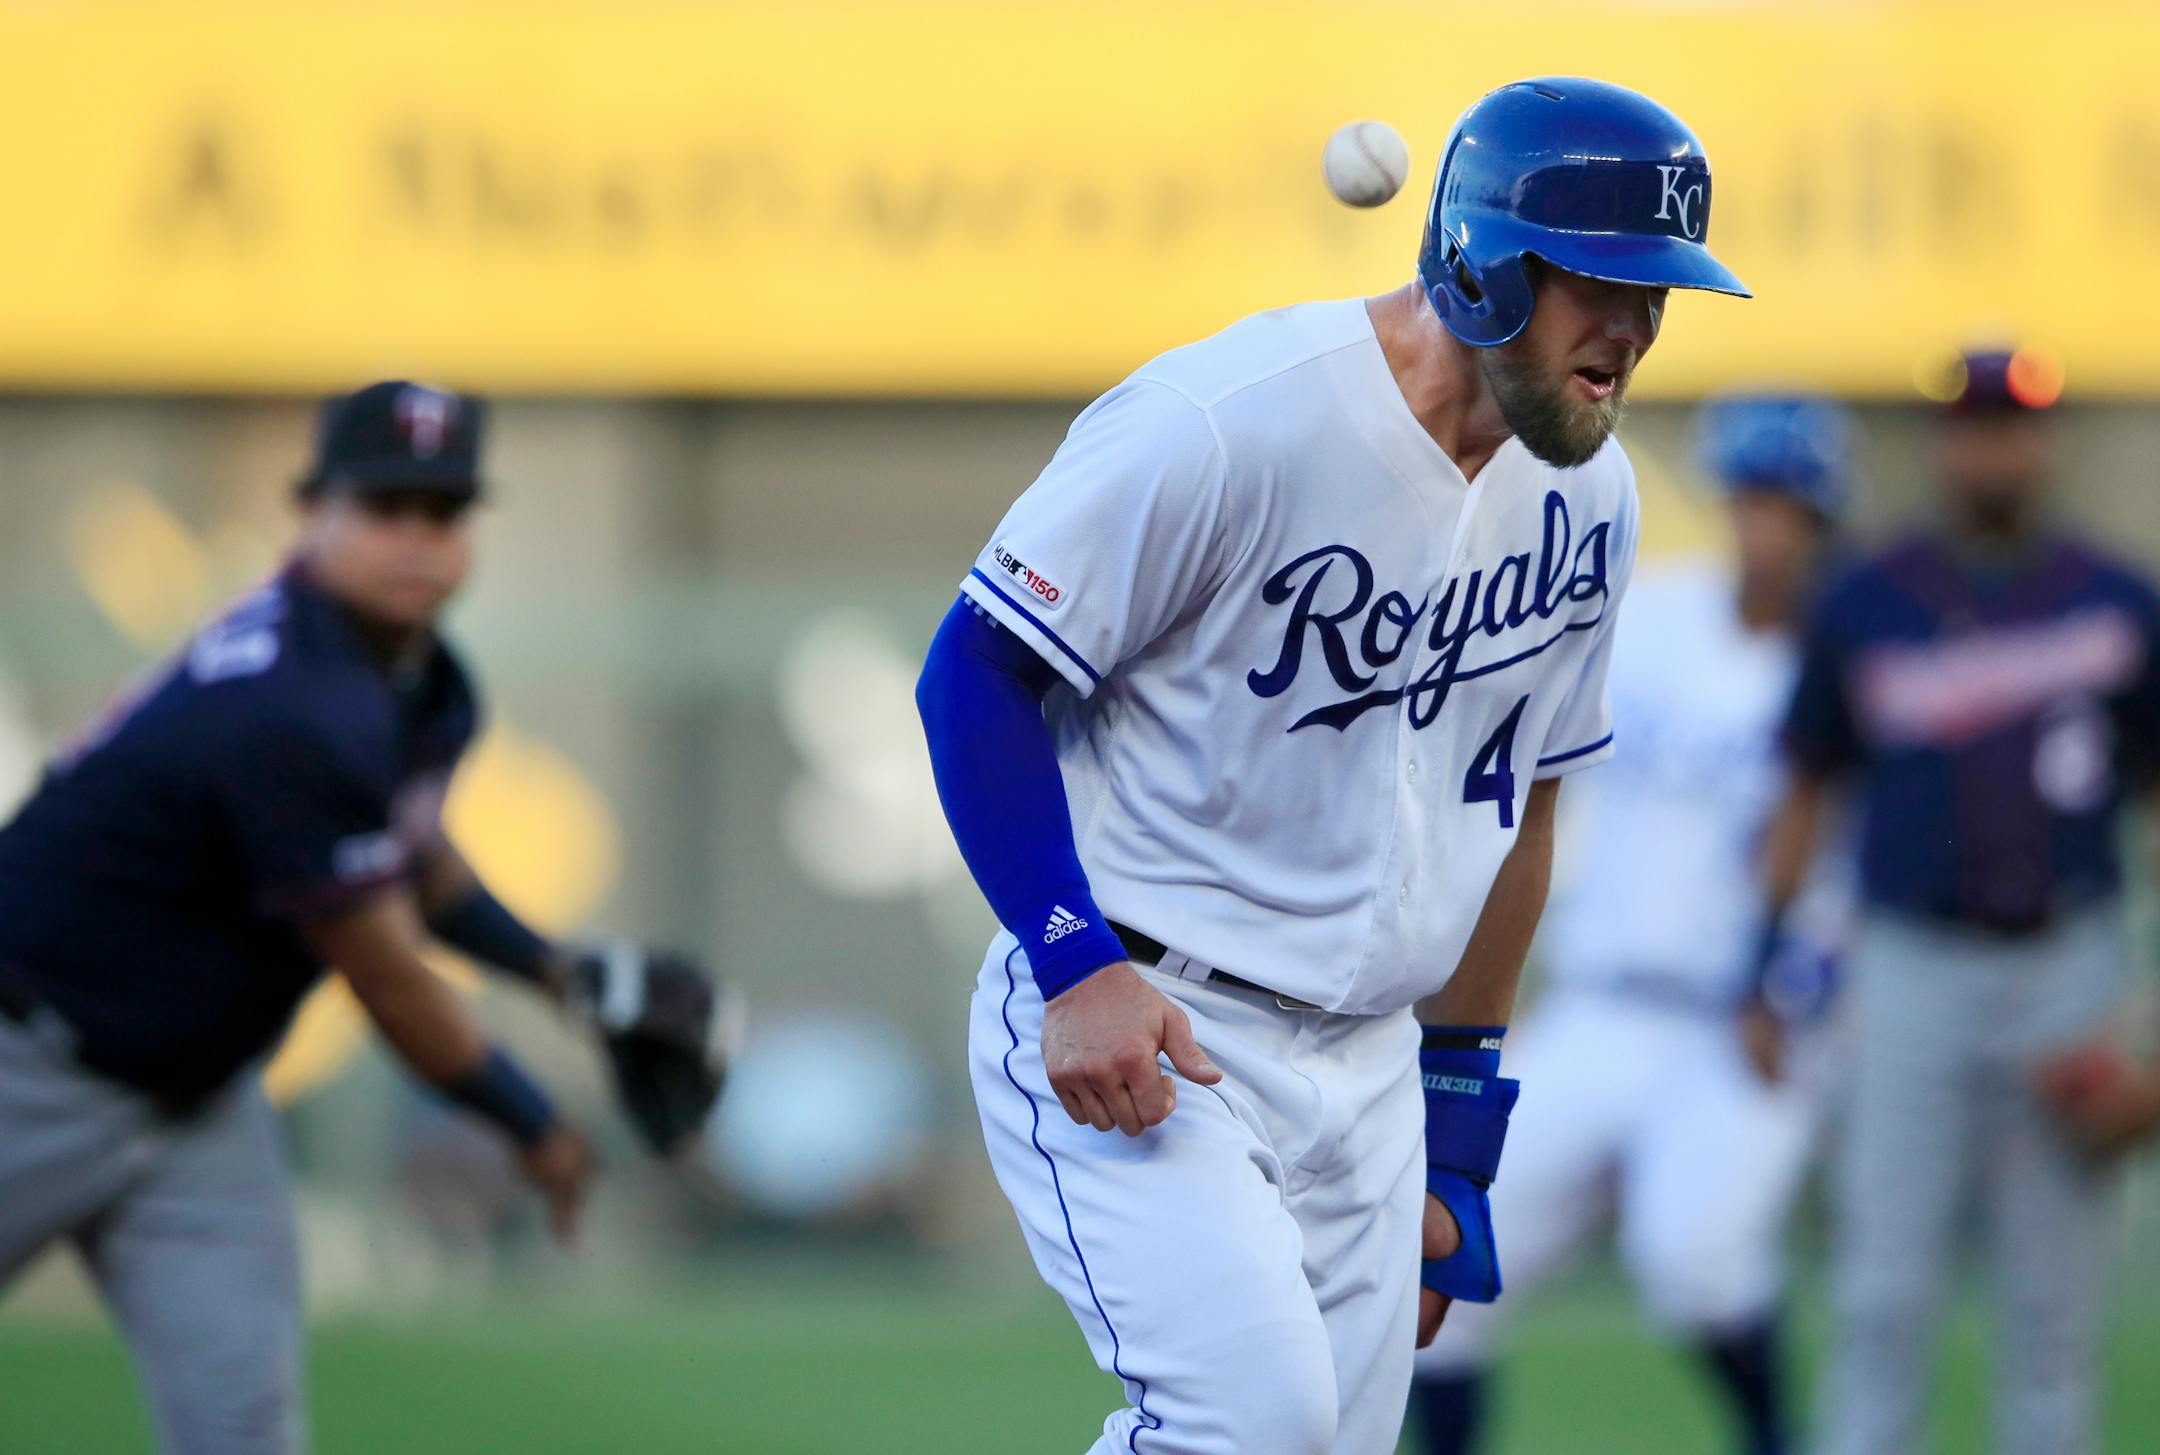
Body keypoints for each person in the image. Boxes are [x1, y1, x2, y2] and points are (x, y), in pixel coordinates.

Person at [916, 78, 1750, 1455]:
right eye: (1598, 281)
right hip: (1154, 1013)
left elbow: (1523, 807)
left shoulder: (1591, 499)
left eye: (1657, 289)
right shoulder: (1227, 419)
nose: (1635, 327)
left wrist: (1458, 1126)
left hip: (1371, 1064)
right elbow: (973, 674)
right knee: (1253, 1425)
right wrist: (1074, 964)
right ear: (1484, 264)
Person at [0, 381, 734, 1455]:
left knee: (245, 1432)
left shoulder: (413, 678)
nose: (417, 540)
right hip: (28, 1067)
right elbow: (384, 973)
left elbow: (412, 858)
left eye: (443, 512)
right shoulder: (292, 703)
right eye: (386, 507)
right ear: (313, 511)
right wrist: (533, 1122)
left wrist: (557, 973)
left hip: (196, 1103)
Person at [1408, 394, 1856, 1455]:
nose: (1764, 526)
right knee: (1437, 1253)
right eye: (1749, 498)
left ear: (1823, 520)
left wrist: (1805, 989)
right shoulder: (1653, 617)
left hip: (1739, 1020)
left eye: (1788, 506)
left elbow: (1868, 862)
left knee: (1695, 1259)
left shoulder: (1846, 658)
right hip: (1602, 1000)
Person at [1757, 348, 2160, 1455]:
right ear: (1941, 444)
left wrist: (2147, 1028)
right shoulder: (1867, 599)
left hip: (2069, 968)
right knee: (1882, 1297)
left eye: (2014, 425)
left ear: (2047, 441)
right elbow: (1805, 790)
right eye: (1974, 426)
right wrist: (1762, 966)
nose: (1994, 449)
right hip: (1911, 971)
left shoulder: (2119, 598)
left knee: (2054, 1317)